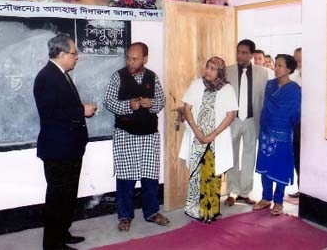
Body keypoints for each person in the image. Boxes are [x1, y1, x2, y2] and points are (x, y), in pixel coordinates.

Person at [33, 34, 97, 250]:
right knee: (57, 198)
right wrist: (82, 110)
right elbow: (52, 112)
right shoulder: (47, 77)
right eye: (74, 53)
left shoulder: (60, 74)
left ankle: (62, 233)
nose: (77, 58)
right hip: (57, 150)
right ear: (61, 54)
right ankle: (53, 245)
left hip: (69, 148)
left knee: (68, 196)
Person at [104, 42, 169, 232]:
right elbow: (108, 101)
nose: (130, 62)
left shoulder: (152, 77)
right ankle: (125, 216)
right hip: (126, 135)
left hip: (149, 135)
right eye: (128, 58)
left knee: (150, 176)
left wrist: (152, 103)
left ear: (145, 59)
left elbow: (162, 101)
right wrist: (127, 106)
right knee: (126, 177)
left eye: (135, 58)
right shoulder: (118, 76)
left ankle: (152, 212)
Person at [179, 57, 237, 223]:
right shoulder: (197, 84)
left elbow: (230, 115)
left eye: (212, 68)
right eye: (207, 67)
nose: (208, 71)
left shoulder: (227, 89)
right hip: (197, 137)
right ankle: (194, 209)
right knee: (197, 173)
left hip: (216, 139)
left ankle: (210, 211)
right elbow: (187, 108)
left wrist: (213, 134)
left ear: (220, 71)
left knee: (212, 173)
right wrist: (197, 131)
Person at [253, 54, 301, 215]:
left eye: (280, 65)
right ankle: (266, 198)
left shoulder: (294, 90)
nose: (276, 68)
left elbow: (294, 114)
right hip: (266, 132)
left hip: (283, 134)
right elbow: (266, 107)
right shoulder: (270, 85)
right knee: (266, 166)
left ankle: (279, 201)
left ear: (289, 69)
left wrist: (283, 126)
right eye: (276, 65)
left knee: (280, 167)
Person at [224, 39, 269, 206]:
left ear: (251, 55)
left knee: (249, 155)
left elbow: (264, 98)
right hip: (232, 120)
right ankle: (232, 191)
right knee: (232, 155)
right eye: (238, 52)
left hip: (252, 120)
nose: (240, 55)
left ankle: (245, 191)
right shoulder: (227, 71)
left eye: (244, 53)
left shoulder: (262, 73)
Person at [289, 47, 302, 198]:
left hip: (309, 124)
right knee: (296, 156)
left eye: (300, 60)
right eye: (295, 59)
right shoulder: (293, 77)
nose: (297, 62)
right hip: (295, 123)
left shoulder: (313, 77)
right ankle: (301, 188)